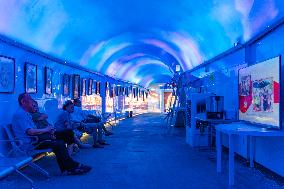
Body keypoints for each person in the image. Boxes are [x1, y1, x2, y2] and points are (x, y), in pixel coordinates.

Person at [12, 93, 91, 175]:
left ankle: (69, 162)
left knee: (67, 133)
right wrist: (46, 130)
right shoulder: (20, 114)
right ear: (23, 102)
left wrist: (48, 130)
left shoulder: (25, 113)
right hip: (32, 143)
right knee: (59, 143)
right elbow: (30, 132)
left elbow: (34, 128)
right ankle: (70, 167)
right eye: (30, 99)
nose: (32, 101)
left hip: (37, 138)